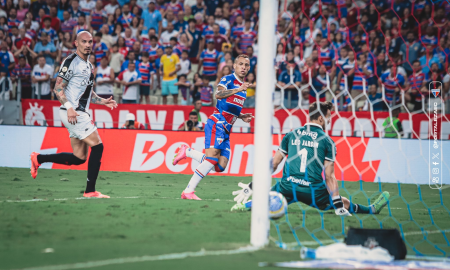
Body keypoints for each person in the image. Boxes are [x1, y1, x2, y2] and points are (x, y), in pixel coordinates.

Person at [230, 102, 390, 216]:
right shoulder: (327, 141)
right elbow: (329, 177)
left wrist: (253, 185)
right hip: (312, 191)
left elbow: (274, 163)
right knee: (342, 201)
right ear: (320, 118)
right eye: (328, 118)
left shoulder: (291, 134)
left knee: (262, 200)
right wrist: (338, 205)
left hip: (288, 186)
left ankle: (243, 205)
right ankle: (370, 210)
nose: (329, 121)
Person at [30, 31, 118, 198]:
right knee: (98, 146)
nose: (87, 45)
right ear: (76, 43)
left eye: (90, 42)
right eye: (84, 41)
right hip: (72, 112)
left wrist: (103, 101)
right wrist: (70, 107)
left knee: (79, 157)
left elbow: (88, 93)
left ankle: (38, 159)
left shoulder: (90, 66)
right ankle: (90, 191)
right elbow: (57, 88)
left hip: (76, 112)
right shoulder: (70, 61)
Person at [172, 54, 254, 200]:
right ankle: (188, 191)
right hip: (217, 123)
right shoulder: (228, 79)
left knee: (220, 166)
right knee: (211, 160)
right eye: (240, 64)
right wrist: (237, 89)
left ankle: (187, 151)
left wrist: (241, 116)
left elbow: (230, 106)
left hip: (227, 129)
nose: (243, 67)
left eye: (246, 65)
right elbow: (219, 95)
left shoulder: (244, 87)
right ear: (234, 66)